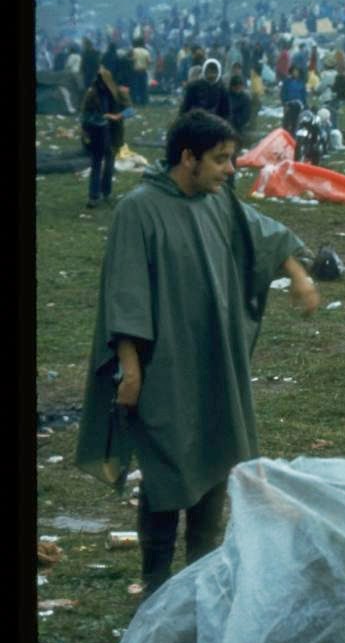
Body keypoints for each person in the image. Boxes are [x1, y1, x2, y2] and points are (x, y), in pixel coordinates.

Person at [75, 109, 321, 599]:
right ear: (188, 158)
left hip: (215, 360)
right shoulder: (139, 210)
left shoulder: (217, 201)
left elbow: (262, 235)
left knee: (216, 457)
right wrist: (130, 371)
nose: (231, 169)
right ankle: (156, 584)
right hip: (164, 366)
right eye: (220, 159)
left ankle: (202, 578)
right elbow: (126, 293)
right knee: (168, 468)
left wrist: (298, 275)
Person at [80, 67, 130, 209]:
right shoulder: (92, 93)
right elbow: (84, 113)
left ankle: (106, 192)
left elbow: (130, 110)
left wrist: (116, 116)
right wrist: (87, 128)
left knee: (109, 165)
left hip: (113, 133)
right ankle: (94, 196)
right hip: (97, 133)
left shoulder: (118, 92)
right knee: (96, 164)